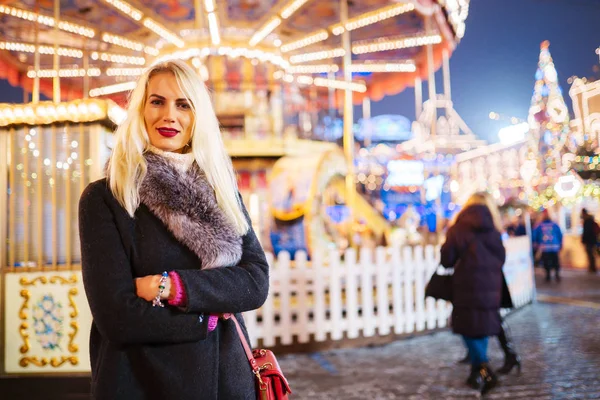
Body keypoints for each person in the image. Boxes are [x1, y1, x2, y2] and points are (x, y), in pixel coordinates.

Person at [78, 60, 270, 399]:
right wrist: (205, 319)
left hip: (226, 380)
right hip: (143, 381)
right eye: (157, 101)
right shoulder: (107, 197)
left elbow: (255, 281)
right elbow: (116, 315)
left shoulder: (222, 191)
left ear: (198, 117)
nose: (169, 115)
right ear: (140, 109)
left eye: (183, 104)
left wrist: (172, 287)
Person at [441, 192, 506, 395]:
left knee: (466, 326)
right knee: (481, 325)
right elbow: (502, 257)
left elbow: (447, 260)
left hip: (466, 284)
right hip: (490, 284)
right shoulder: (494, 229)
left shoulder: (458, 229)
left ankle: (484, 368)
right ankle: (477, 370)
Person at [532, 210, 563, 282]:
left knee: (546, 262)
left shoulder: (539, 225)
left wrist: (535, 244)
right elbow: (560, 234)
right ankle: (557, 274)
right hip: (555, 246)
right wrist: (560, 244)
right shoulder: (555, 225)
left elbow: (534, 235)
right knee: (555, 261)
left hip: (545, 247)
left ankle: (548, 275)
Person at [581, 208, 599, 273]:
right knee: (591, 254)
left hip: (589, 240)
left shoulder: (587, 221)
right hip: (592, 240)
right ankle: (592, 267)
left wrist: (584, 239)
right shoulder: (590, 220)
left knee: (590, 254)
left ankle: (592, 268)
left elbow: (587, 232)